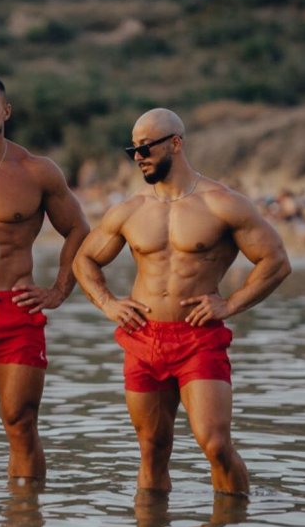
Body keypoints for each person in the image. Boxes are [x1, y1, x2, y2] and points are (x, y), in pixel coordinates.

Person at [72, 107, 291, 496]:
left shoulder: (222, 203)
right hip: (142, 338)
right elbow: (84, 260)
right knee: (152, 451)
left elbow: (275, 261)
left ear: (175, 143)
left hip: (198, 338)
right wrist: (108, 304)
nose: (138, 156)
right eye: (133, 150)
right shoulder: (131, 209)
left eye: (145, 148)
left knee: (216, 444)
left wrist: (231, 304)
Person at [0, 74, 90, 480]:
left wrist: (60, 289)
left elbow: (79, 230)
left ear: (5, 111)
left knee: (21, 423)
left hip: (16, 311)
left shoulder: (36, 171)